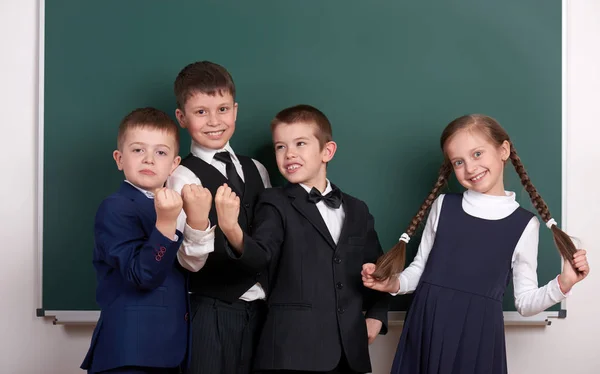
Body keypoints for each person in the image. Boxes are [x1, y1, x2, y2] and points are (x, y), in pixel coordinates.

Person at [362, 114, 590, 374]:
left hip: (477, 339)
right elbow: (419, 272)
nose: (470, 168)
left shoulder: (525, 225)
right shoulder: (443, 206)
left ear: (503, 150)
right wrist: (391, 283)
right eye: (458, 162)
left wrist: (563, 284)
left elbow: (525, 303)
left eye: (477, 154)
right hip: (427, 326)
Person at [215, 104, 389, 373]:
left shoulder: (358, 210)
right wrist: (232, 230)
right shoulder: (274, 201)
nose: (289, 154)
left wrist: (377, 316)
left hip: (349, 353)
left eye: (300, 143)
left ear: (327, 151)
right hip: (290, 353)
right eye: (280, 147)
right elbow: (260, 255)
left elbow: (379, 270)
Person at [81, 107, 208, 374]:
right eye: (138, 150)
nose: (149, 159)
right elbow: (142, 274)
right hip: (132, 352)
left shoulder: (171, 206)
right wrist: (165, 224)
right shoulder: (115, 208)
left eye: (160, 152)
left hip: (170, 351)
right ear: (119, 158)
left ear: (174, 165)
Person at [166, 61, 271, 374]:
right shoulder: (181, 177)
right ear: (182, 118)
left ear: (235, 111)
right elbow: (188, 260)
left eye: (223, 109)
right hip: (211, 309)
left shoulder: (258, 170)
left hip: (264, 311)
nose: (214, 121)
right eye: (201, 112)